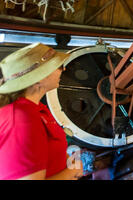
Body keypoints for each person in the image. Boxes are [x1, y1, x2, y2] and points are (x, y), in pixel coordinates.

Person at [0, 43, 83, 180]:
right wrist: (70, 173)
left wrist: (70, 163)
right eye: (59, 66)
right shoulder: (20, 119)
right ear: (40, 78)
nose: (64, 69)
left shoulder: (38, 109)